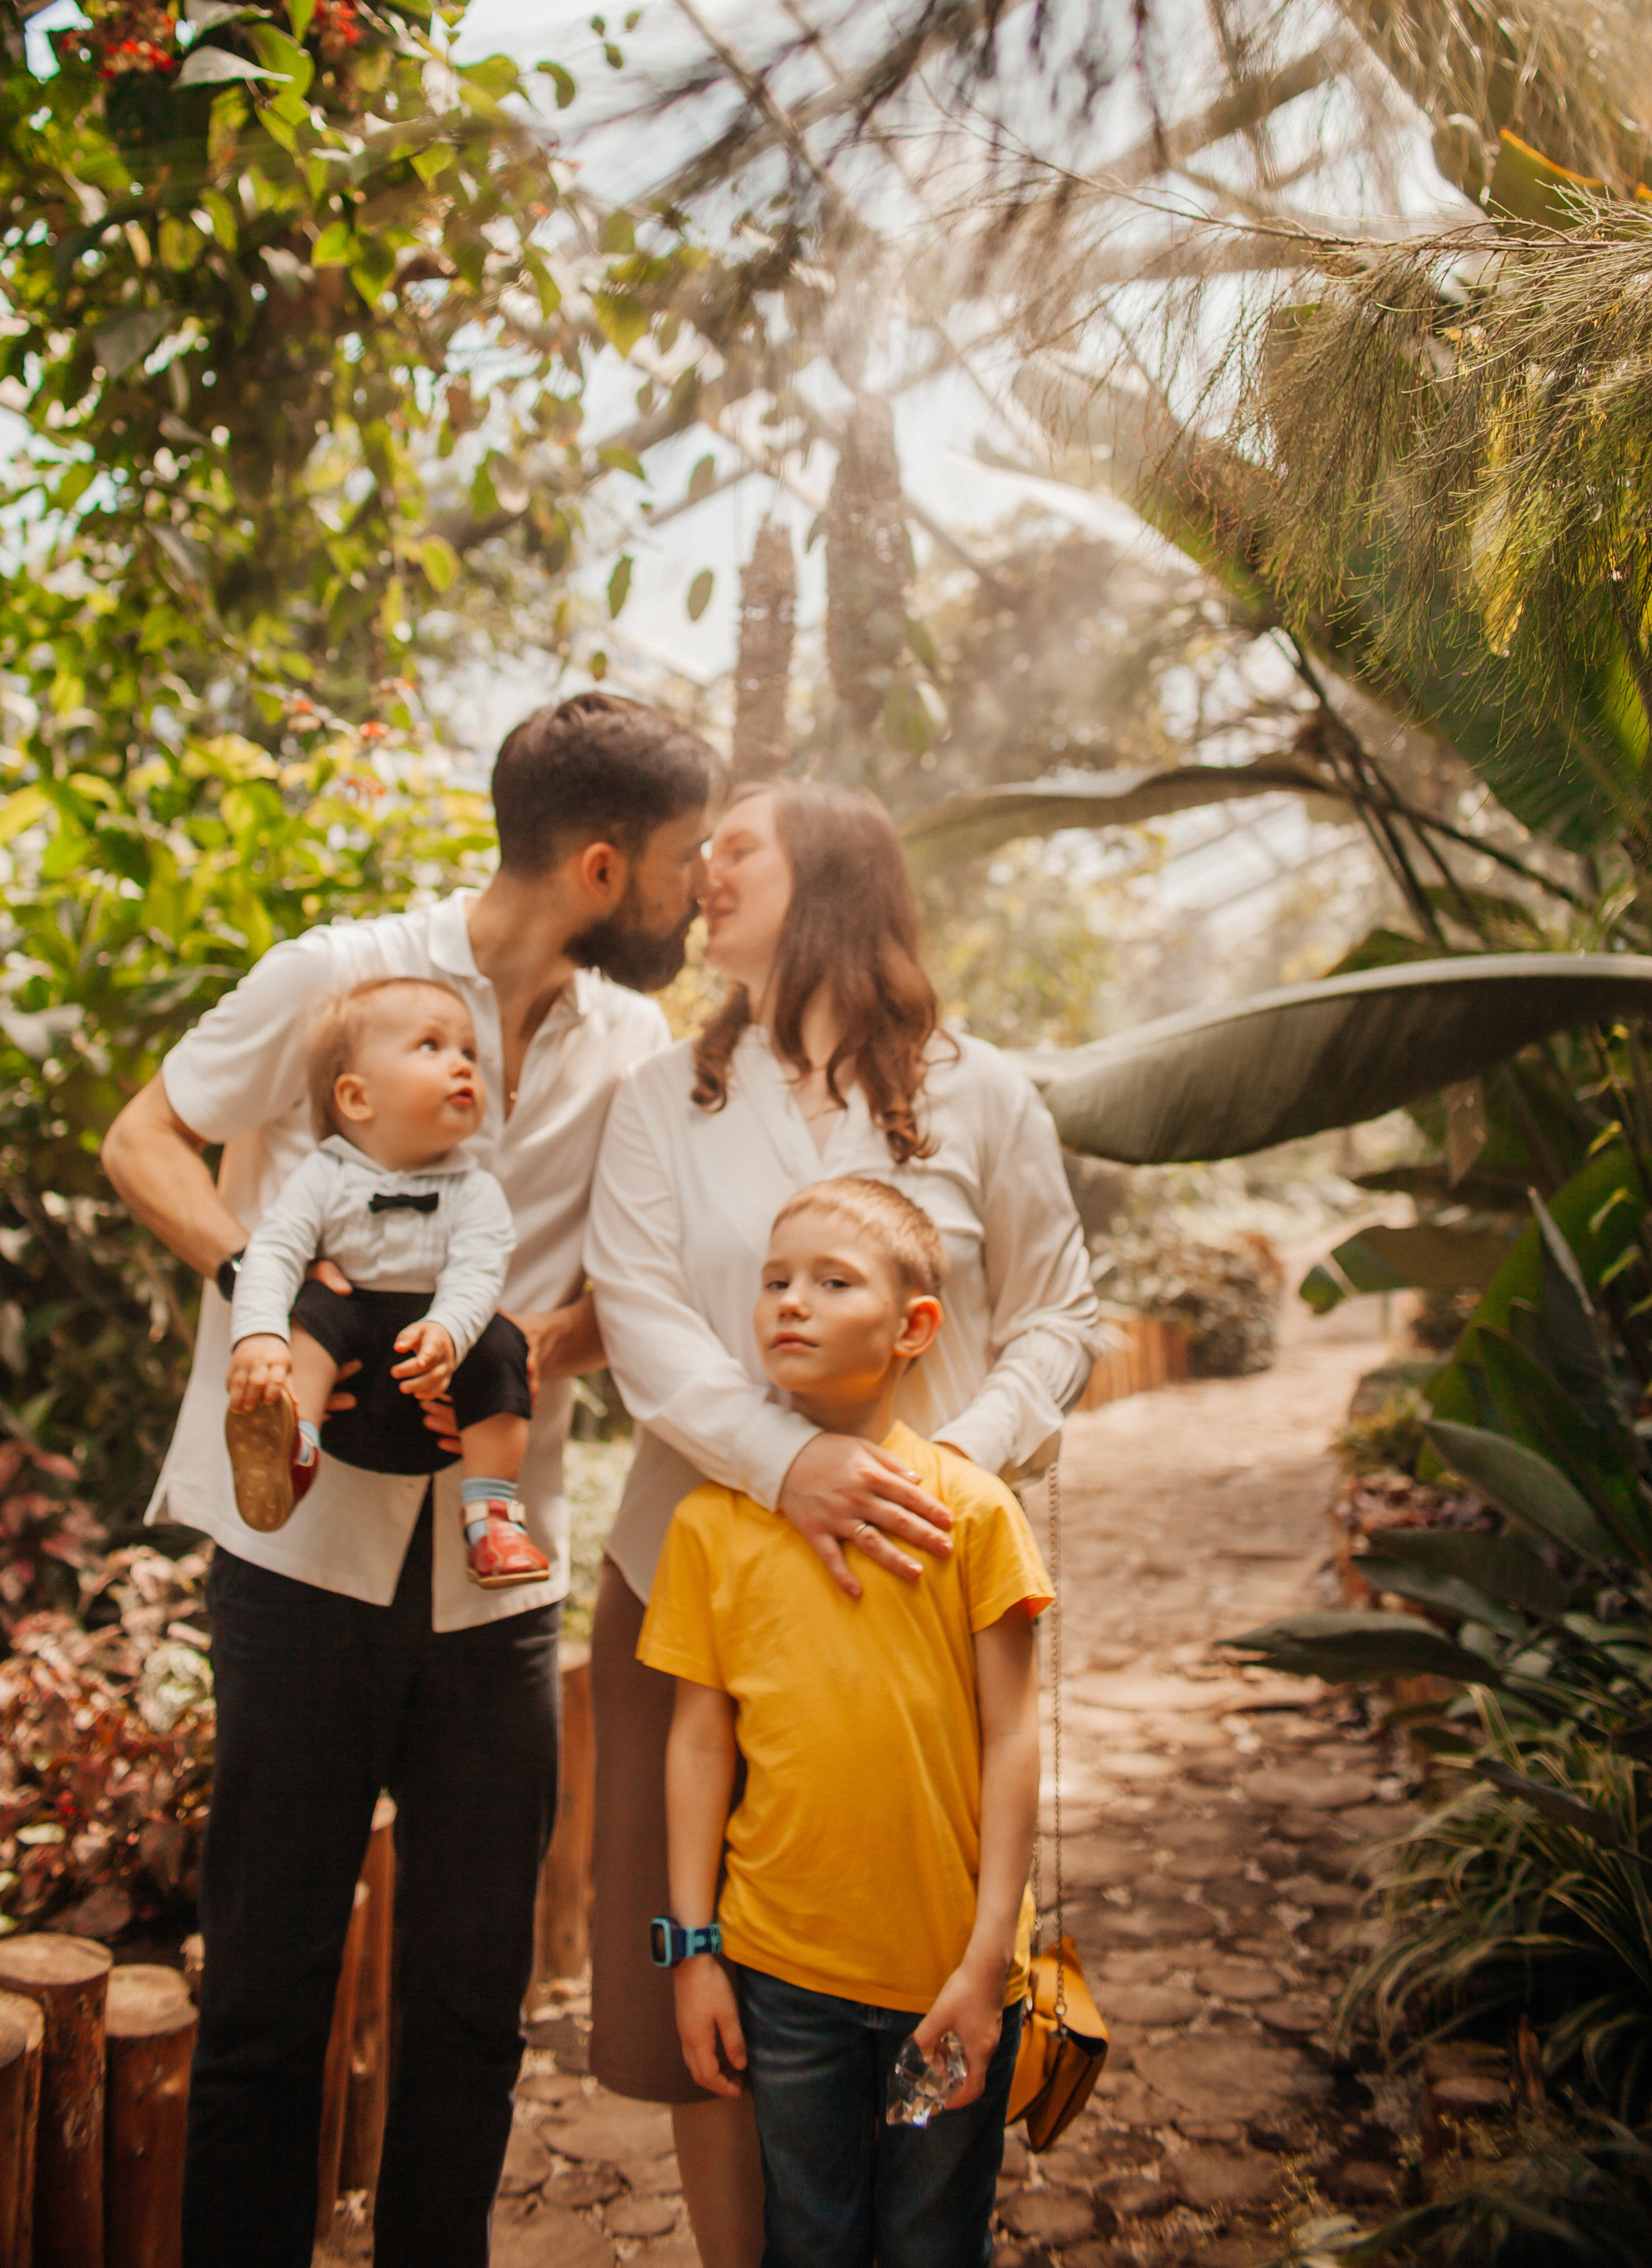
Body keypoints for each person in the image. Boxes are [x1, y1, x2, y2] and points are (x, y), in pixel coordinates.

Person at [99, 691, 720, 2268]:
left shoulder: (634, 1044)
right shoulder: (333, 977)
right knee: (261, 2000)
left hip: (496, 1578)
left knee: (467, 2008)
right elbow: (142, 1142)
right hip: (298, 1560)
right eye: (675, 863)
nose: (691, 892)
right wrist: (279, 1294)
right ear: (597, 865)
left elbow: (628, 1297)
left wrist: (512, 1338)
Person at [584, 780, 1105, 2268]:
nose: (699, 875)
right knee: (708, 1993)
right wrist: (782, 1466)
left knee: (923, 1947)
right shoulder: (657, 1104)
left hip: (925, 1600)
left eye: (733, 848)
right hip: (694, 1583)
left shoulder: (978, 1091)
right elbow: (641, 1321)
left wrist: (942, 1469)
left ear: (831, 876)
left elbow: (1059, 1310)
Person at [642, 1174, 1050, 2268]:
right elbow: (697, 1741)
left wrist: (987, 1961)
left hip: (946, 1986)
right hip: (784, 1982)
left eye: (832, 1281)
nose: (790, 1301)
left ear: (916, 1325)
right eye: (775, 1280)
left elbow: (1014, 1738)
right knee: (810, 2236)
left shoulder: (971, 1512)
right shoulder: (711, 1525)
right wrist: (693, 1952)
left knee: (929, 2239)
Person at [226, 974, 548, 1588]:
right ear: (356, 1097)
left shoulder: (476, 1189)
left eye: (469, 1054)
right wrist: (259, 1336)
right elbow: (274, 1249)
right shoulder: (322, 1174)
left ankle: (492, 1517)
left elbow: (479, 1270)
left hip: (433, 1343)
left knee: (505, 1343)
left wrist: (449, 1333)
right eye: (432, 1047)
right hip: (353, 1336)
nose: (462, 1065)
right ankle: (292, 1440)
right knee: (312, 1312)